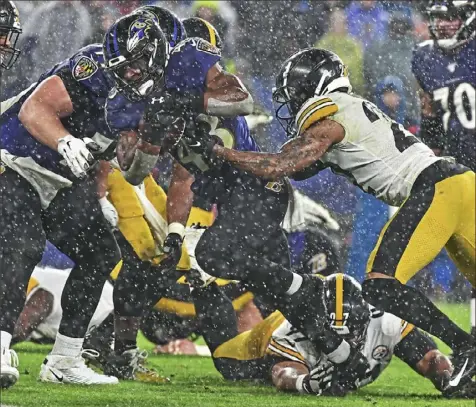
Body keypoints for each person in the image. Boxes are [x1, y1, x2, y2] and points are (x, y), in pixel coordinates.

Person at [178, 47, 475, 393]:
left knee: (381, 284)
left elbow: (279, 166)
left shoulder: (329, 114)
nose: (292, 105)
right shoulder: (350, 111)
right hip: (462, 183)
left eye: (295, 95)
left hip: (435, 188)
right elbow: (297, 167)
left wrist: (219, 151)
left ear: (314, 88)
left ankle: (466, 346)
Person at [136, 18, 371, 384]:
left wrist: (188, 102)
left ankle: (305, 290)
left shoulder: (193, 66)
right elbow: (179, 177)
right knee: (252, 330)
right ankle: (339, 354)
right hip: (234, 202)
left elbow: (240, 98)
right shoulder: (159, 105)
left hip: (257, 190)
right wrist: (177, 231)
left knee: (212, 256)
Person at [0, 15, 170, 387]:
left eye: (135, 68)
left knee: (100, 253)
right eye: (121, 67)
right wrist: (64, 140)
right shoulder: (90, 68)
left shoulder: (156, 100)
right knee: (22, 246)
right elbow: (34, 110)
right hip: (14, 160)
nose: (126, 76)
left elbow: (119, 158)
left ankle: (64, 360)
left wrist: (104, 191)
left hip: (60, 180)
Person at [193, 274, 465, 397]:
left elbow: (431, 358)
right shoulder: (294, 330)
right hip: (260, 343)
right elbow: (282, 373)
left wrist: (448, 376)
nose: (344, 343)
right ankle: (201, 284)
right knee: (224, 357)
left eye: (351, 335)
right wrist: (304, 383)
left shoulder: (386, 322)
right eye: (335, 336)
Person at [411, 0, 476, 338]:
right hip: (463, 172)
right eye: (437, 18)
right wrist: (430, 160)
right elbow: (431, 115)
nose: (443, 25)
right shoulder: (425, 58)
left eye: (451, 18)